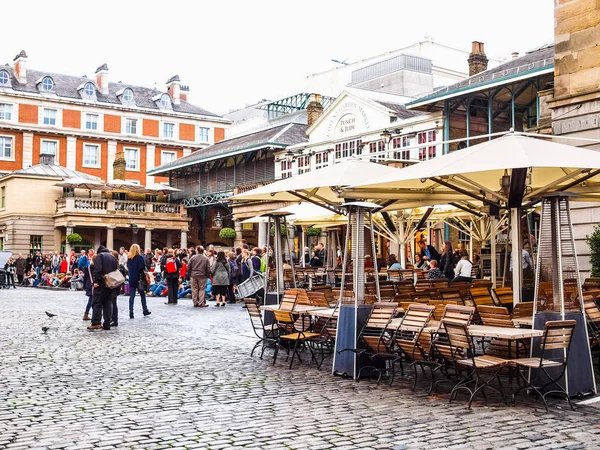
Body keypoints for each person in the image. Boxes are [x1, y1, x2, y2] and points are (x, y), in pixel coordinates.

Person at [88, 245, 118, 331]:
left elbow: (98, 269)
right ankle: (107, 324)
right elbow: (116, 269)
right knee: (108, 303)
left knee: (97, 303)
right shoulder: (113, 257)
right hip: (110, 283)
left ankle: (96, 323)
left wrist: (96, 281)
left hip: (101, 283)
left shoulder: (99, 256)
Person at [127, 243, 151, 319]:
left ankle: (131, 312)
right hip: (139, 278)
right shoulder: (140, 257)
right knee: (142, 295)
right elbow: (142, 267)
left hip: (131, 278)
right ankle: (145, 310)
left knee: (132, 296)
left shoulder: (129, 258)